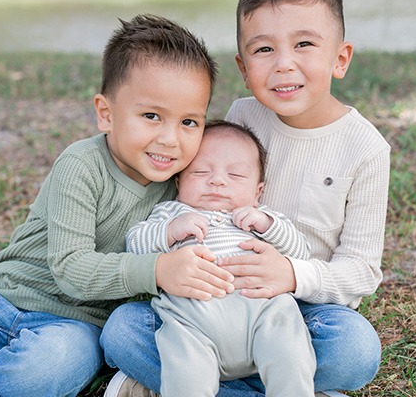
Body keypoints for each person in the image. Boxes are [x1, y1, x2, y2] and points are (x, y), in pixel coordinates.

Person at [100, 0, 391, 397]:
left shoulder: (366, 149)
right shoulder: (241, 117)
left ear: (340, 58)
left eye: (305, 44)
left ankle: (185, 381)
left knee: (356, 350)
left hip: (296, 308)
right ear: (242, 65)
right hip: (205, 303)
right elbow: (187, 192)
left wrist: (291, 275)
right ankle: (285, 385)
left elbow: (361, 271)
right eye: (263, 50)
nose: (283, 65)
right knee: (121, 329)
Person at [0, 14, 228, 397]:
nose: (171, 139)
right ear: (106, 114)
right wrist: (157, 269)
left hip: (74, 326)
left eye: (189, 122)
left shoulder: (183, 190)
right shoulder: (82, 164)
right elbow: (71, 268)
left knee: (47, 371)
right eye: (151, 116)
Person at [123, 120, 315, 396]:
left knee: (290, 350)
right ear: (178, 181)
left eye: (235, 175)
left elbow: (301, 252)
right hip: (192, 320)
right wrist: (170, 231)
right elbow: (134, 245)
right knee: (184, 375)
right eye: (200, 171)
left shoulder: (263, 216)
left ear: (258, 191)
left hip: (263, 312)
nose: (217, 181)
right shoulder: (172, 212)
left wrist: (267, 224)